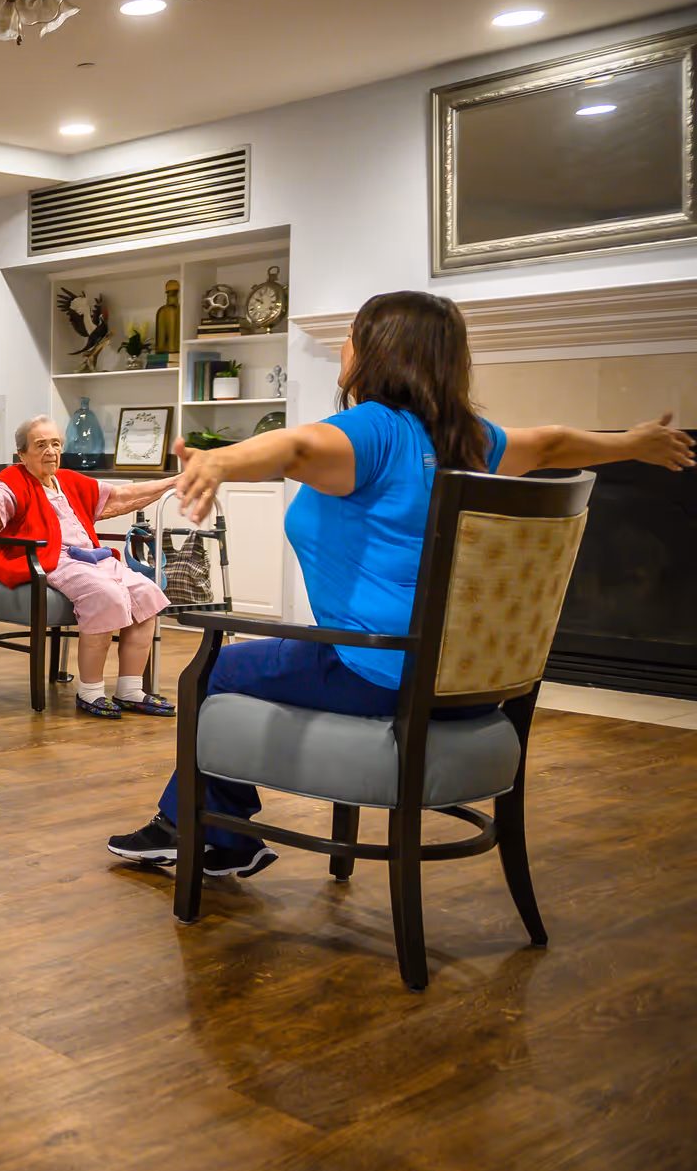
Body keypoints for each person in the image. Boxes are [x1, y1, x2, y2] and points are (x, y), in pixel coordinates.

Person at [106, 290, 695, 879]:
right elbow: (553, 444)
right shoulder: (472, 439)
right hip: (471, 681)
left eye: (352, 333)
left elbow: (299, 446)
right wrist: (632, 445)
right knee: (277, 656)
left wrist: (222, 460)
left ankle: (199, 834)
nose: (343, 345)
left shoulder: (375, 430)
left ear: (375, 353)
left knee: (214, 670)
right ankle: (216, 832)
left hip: (377, 670)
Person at [0, 416, 181, 718]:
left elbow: (123, 495)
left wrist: (175, 482)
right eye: (41, 445)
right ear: (22, 454)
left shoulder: (69, 481)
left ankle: (130, 690)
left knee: (146, 593)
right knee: (105, 596)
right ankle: (90, 693)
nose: (50, 451)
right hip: (52, 558)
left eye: (55, 444)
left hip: (94, 557)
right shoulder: (13, 479)